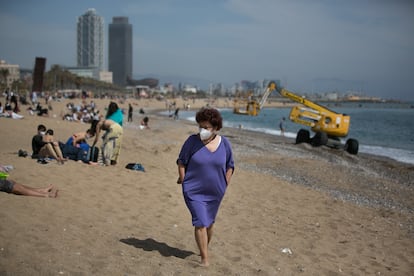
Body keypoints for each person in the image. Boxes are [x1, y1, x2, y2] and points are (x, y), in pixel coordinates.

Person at [176, 107, 234, 266]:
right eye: (200, 126)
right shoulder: (191, 142)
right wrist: (184, 182)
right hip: (193, 191)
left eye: (206, 127)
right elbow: (181, 162)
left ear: (215, 128)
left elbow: (230, 166)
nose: (202, 130)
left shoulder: (225, 144)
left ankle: (204, 248)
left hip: (215, 192)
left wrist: (225, 184)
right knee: (200, 222)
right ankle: (204, 259)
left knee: (209, 223)